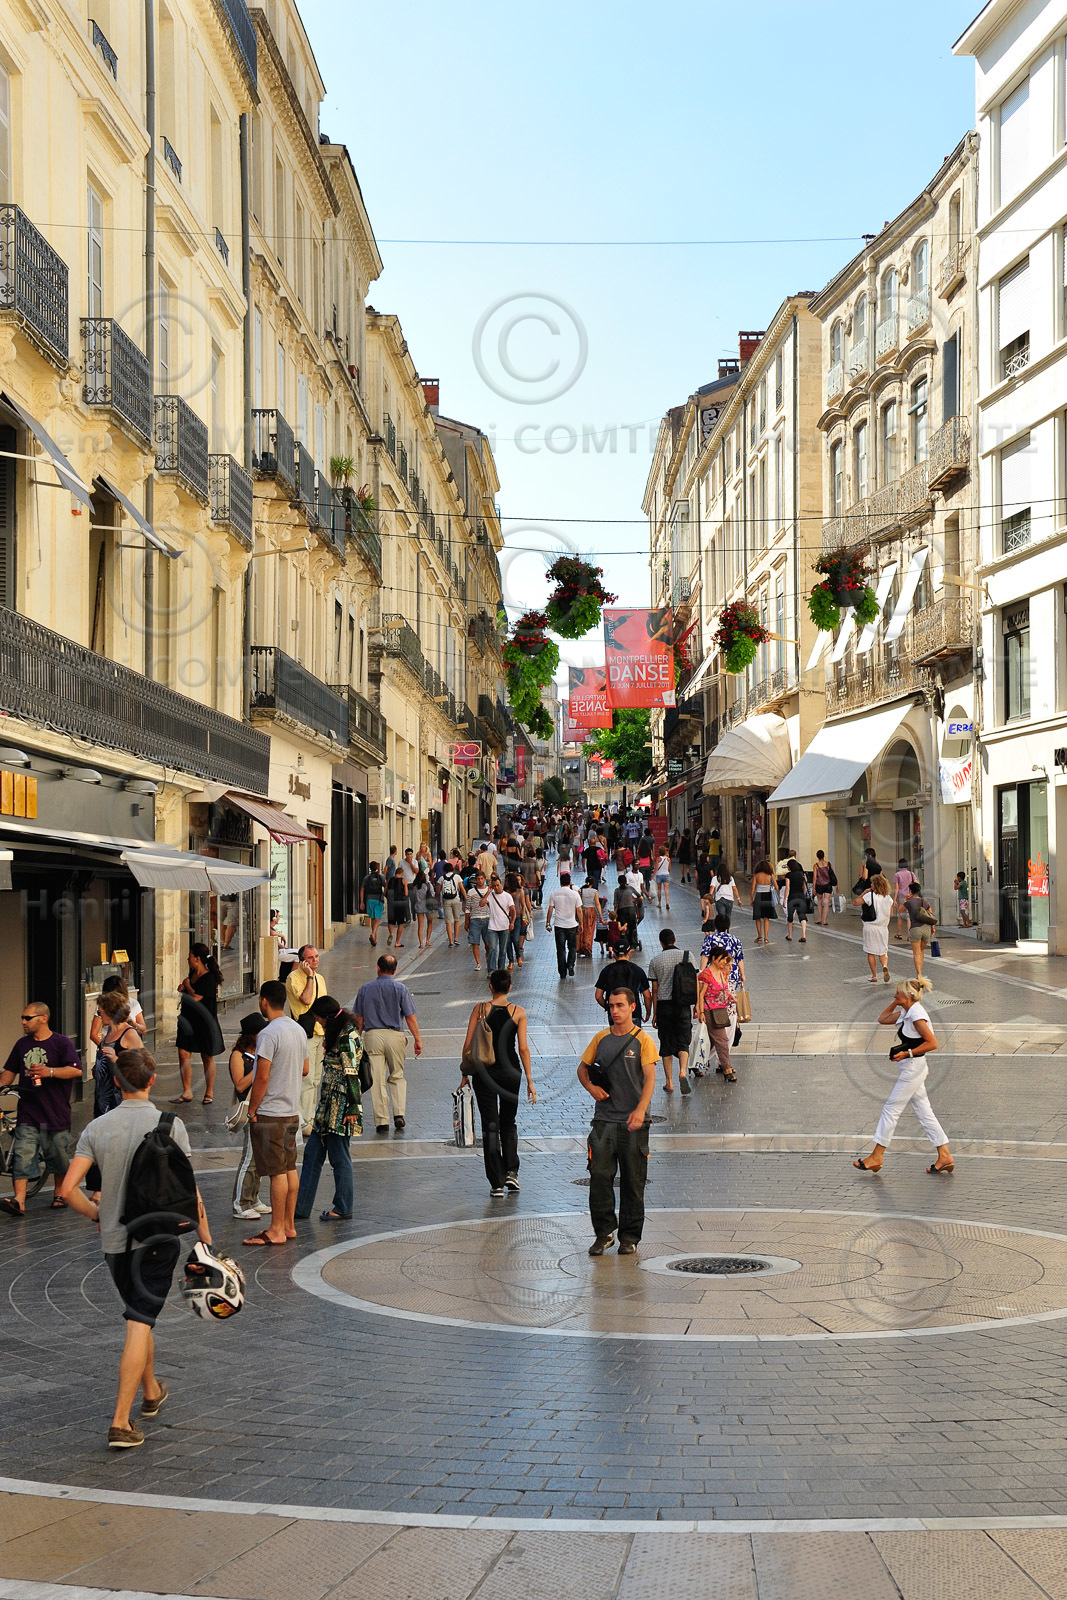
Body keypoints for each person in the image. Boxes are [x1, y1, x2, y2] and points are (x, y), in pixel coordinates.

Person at [59, 1047, 213, 1449]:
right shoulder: (171, 1124)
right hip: (159, 1241)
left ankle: (150, 1391)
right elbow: (191, 1192)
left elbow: (66, 1189)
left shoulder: (97, 1128)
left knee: (138, 1317)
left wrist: (96, 1216)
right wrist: (207, 1243)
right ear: (150, 1081)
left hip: (115, 1242)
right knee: (139, 1323)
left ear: (114, 1082)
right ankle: (121, 1422)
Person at [578, 988, 659, 1257]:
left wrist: (640, 1110)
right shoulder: (600, 1039)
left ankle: (629, 1237)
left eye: (620, 1006)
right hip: (603, 1121)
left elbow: (650, 1079)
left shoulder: (643, 1041)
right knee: (599, 1176)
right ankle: (604, 1233)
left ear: (633, 1007)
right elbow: (582, 1068)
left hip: (634, 1124)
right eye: (611, 1006)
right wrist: (591, 1088)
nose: (614, 1011)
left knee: (633, 1182)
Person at [854, 977, 953, 1175]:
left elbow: (932, 1043)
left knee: (891, 1109)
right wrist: (898, 1002)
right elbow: (882, 1019)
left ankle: (877, 1156)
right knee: (925, 1113)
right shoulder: (908, 1012)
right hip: (912, 1067)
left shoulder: (917, 1015)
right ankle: (945, 1155)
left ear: (909, 995)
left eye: (898, 992)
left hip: (913, 1069)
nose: (894, 994)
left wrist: (907, 1053)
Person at [242, 981, 309, 1247]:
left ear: (263, 1001)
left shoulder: (269, 1034)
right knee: (289, 1167)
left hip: (271, 1111)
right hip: (292, 1110)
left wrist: (252, 1108)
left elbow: (262, 1076)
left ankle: (276, 1230)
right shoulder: (298, 1030)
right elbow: (304, 1069)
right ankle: (289, 1225)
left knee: (275, 1173)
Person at [0, 1002, 81, 1217]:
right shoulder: (21, 1044)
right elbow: (8, 1073)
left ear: (43, 1018)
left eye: (27, 1018)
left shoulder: (61, 1043)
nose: (23, 1022)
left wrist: (50, 1072)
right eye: (22, 1017)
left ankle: (59, 1192)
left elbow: (76, 1071)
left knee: (58, 1156)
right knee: (23, 1155)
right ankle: (19, 1200)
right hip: (28, 1111)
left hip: (55, 1111)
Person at [459, 970, 536, 1197]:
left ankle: (497, 1183)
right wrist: (530, 1080)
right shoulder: (519, 1012)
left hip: (485, 1073)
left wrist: (464, 1073)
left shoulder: (479, 1009)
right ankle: (512, 1171)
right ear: (510, 987)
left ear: (491, 987)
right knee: (508, 1122)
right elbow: (523, 1048)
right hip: (511, 1072)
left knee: (490, 1125)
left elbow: (468, 1044)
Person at [294, 997, 364, 1221]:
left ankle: (343, 1207)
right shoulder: (339, 1034)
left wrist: (353, 1107)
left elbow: (352, 1073)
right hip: (326, 1107)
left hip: (340, 1107)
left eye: (318, 1019)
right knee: (312, 1155)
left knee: (339, 1158)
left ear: (326, 1017)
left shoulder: (346, 1037)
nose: (318, 1023)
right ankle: (301, 1208)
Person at [352, 954, 422, 1134]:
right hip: (395, 1036)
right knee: (397, 1075)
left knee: (376, 1079)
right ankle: (399, 1114)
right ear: (395, 970)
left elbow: (359, 1019)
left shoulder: (364, 989)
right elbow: (410, 1017)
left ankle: (381, 1120)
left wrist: (357, 1040)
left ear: (378, 968)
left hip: (373, 1035)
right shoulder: (401, 989)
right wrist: (417, 1039)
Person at [229, 1013, 270, 1221]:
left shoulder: (261, 1051)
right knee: (249, 1159)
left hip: (264, 1108)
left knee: (259, 1159)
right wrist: (257, 1069)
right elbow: (240, 1084)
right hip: (249, 1109)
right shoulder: (238, 1055)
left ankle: (253, 1197)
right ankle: (240, 1202)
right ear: (253, 1035)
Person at [174, 943, 223, 1105]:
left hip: (204, 1022)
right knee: (183, 1053)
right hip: (187, 1020)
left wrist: (186, 985)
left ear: (197, 958)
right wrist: (184, 987)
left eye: (189, 955)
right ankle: (186, 1091)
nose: (187, 958)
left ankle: (209, 1092)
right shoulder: (192, 973)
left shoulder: (209, 977)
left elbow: (196, 998)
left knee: (206, 1056)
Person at [285, 944, 326, 1134]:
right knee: (306, 1078)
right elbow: (306, 999)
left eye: (316, 956)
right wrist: (309, 976)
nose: (315, 960)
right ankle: (302, 1121)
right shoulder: (294, 979)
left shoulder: (321, 978)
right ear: (302, 961)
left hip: (319, 1034)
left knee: (316, 1079)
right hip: (305, 1034)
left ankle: (310, 1118)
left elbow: (325, 1009)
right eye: (310, 958)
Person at [648, 929, 693, 1094]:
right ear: (675, 939)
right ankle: (682, 1071)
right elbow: (695, 981)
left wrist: (654, 1013)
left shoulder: (655, 961)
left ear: (661, 942)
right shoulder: (688, 956)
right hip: (683, 1004)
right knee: (683, 1041)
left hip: (664, 1006)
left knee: (666, 1043)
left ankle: (669, 1082)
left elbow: (654, 989)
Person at [93, 995, 143, 1118]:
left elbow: (142, 1067)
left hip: (120, 1099)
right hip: (103, 1097)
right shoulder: (110, 1032)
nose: (99, 1016)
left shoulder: (129, 1034)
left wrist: (116, 1059)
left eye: (100, 1012)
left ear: (111, 1011)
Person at [696, 947, 737, 1081]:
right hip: (709, 1011)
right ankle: (727, 1069)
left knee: (712, 1041)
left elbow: (724, 989)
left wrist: (730, 997)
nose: (724, 963)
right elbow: (701, 995)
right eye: (721, 959)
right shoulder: (705, 975)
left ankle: (695, 1062)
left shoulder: (721, 973)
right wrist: (701, 1012)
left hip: (721, 1011)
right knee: (722, 1039)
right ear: (714, 958)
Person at [855, 871, 894, 983]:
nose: (870, 885)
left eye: (872, 884)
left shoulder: (869, 895)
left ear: (875, 885)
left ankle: (874, 976)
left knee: (870, 952)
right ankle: (885, 966)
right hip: (883, 928)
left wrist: (864, 893)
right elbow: (891, 914)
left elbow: (855, 902)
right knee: (883, 952)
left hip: (870, 927)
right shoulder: (888, 898)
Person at [545, 871, 582, 978]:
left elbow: (550, 909)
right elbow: (579, 911)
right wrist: (581, 924)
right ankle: (570, 964)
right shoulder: (575, 894)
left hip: (559, 925)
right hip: (572, 925)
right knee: (572, 947)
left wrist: (548, 923)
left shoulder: (554, 893)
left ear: (560, 882)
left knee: (560, 950)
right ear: (570, 882)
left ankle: (562, 972)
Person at [595, 951, 652, 1021]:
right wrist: (648, 1013)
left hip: (614, 1015)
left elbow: (598, 996)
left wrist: (609, 1007)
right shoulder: (638, 970)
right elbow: (647, 996)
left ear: (614, 954)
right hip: (633, 1013)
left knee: (616, 1032)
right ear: (629, 953)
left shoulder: (606, 970)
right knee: (634, 1032)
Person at [486, 871, 516, 972]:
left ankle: (501, 970)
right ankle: (491, 970)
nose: (496, 887)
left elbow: (512, 910)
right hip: (492, 927)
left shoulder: (507, 896)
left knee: (503, 950)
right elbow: (481, 903)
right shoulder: (491, 896)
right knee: (493, 949)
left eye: (498, 885)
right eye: (494, 886)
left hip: (504, 927)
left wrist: (512, 922)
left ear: (501, 884)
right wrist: (488, 891)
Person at [905, 880, 935, 977]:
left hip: (915, 929)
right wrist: (933, 927)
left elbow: (900, 909)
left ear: (911, 891)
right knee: (921, 951)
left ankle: (919, 974)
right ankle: (920, 971)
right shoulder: (924, 901)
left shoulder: (909, 902)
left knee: (916, 953)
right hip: (926, 930)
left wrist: (907, 900)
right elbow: (931, 915)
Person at [465, 870, 492, 970]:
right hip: (475, 919)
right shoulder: (471, 892)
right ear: (476, 880)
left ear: (484, 879)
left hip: (487, 918)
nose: (480, 881)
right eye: (478, 879)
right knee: (475, 942)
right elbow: (468, 907)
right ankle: (478, 963)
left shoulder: (489, 891)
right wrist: (467, 921)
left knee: (488, 942)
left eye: (482, 879)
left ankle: (488, 957)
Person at [781, 854, 810, 943]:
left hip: (792, 897)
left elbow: (787, 888)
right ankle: (803, 935)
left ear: (790, 867)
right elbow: (805, 886)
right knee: (802, 915)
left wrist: (785, 899)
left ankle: (790, 935)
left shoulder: (788, 875)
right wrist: (803, 894)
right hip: (801, 896)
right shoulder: (802, 874)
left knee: (790, 916)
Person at [505, 870, 531, 968]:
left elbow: (523, 905)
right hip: (507, 918)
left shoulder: (520, 891)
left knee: (515, 939)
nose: (506, 883)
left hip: (518, 917)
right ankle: (511, 961)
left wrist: (524, 916)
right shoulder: (504, 892)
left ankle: (518, 956)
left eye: (507, 881)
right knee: (507, 941)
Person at [439, 858, 467, 947]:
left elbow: (438, 891)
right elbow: (462, 888)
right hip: (456, 899)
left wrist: (438, 900)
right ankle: (456, 938)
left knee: (448, 921)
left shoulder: (441, 878)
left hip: (446, 900)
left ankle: (450, 941)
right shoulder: (457, 877)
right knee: (457, 919)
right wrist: (466, 898)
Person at [750, 857, 778, 946]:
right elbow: (777, 887)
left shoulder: (756, 875)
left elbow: (753, 888)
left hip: (759, 896)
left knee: (758, 917)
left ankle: (759, 936)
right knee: (766, 917)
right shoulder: (771, 875)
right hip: (768, 896)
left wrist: (751, 898)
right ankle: (766, 937)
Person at [360, 860, 387, 947]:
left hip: (369, 899)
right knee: (378, 918)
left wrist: (362, 902)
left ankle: (375, 938)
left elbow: (362, 889)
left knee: (372, 918)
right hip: (379, 899)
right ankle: (373, 933)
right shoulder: (381, 877)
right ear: (377, 868)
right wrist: (385, 894)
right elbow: (385, 886)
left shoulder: (367, 878)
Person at [577, 876, 603, 959]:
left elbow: (579, 902)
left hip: (583, 910)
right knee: (590, 930)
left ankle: (579, 948)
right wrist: (600, 915)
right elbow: (597, 904)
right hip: (591, 911)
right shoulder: (595, 891)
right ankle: (587, 948)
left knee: (582, 929)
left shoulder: (581, 891)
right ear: (593, 883)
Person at [411, 868, 437, 950]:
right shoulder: (428, 885)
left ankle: (421, 943)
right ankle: (427, 940)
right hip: (428, 906)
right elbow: (433, 894)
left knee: (420, 926)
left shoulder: (415, 886)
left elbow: (414, 897)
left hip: (418, 906)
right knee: (430, 923)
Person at [386, 870, 411, 949]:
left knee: (391, 921)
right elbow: (406, 893)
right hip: (400, 903)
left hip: (391, 903)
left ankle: (391, 934)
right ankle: (397, 942)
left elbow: (385, 891)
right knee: (400, 923)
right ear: (402, 874)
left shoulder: (389, 880)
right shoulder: (403, 881)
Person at [813, 850, 836, 926]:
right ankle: (825, 920)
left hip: (819, 885)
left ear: (817, 856)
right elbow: (833, 874)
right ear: (823, 855)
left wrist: (814, 887)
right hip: (828, 885)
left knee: (819, 902)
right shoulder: (828, 864)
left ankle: (819, 918)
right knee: (826, 902)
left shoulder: (816, 865)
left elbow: (815, 877)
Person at [892, 858, 913, 941]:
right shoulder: (911, 874)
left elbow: (896, 888)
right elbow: (916, 883)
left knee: (900, 916)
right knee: (909, 916)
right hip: (910, 896)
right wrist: (911, 893)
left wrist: (894, 899)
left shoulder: (897, 875)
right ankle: (909, 935)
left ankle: (899, 933)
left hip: (901, 897)